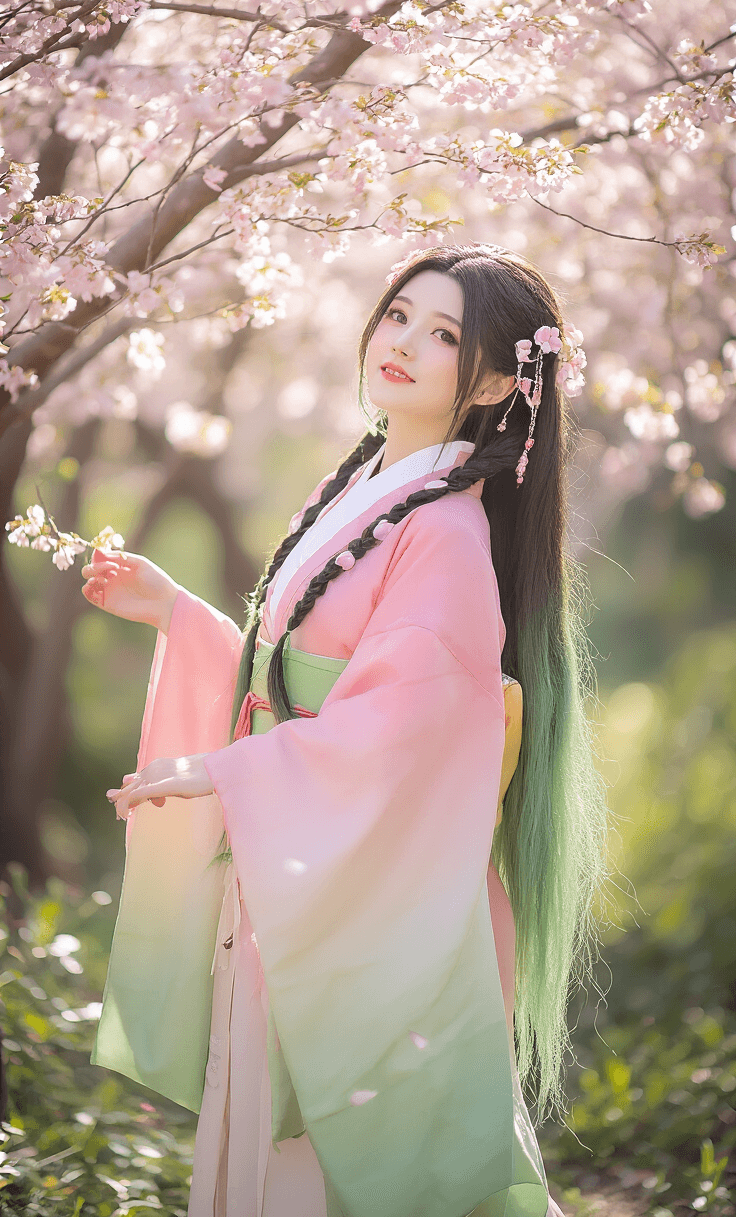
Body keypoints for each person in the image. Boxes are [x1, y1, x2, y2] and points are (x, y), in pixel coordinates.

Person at [83, 244, 609, 1217]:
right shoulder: (367, 483)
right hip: (300, 857)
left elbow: (404, 728)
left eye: (443, 334)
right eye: (398, 315)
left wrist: (229, 772)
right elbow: (297, 678)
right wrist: (181, 616)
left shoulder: (443, 532)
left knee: (343, 1152)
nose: (400, 342)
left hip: (362, 883)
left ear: (496, 382)